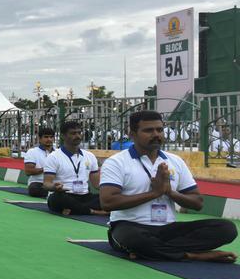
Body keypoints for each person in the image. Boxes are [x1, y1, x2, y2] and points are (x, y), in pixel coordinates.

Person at [100, 111, 237, 262]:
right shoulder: (117, 162)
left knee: (226, 229)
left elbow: (197, 203)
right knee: (135, 240)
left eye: (159, 130)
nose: (156, 134)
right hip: (130, 226)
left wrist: (170, 192)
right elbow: (107, 203)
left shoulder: (175, 161)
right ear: (132, 134)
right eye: (148, 130)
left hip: (167, 229)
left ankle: (155, 250)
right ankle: (194, 255)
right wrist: (154, 193)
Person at [43, 121, 106, 216]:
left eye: (79, 133)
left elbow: (97, 185)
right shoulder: (54, 157)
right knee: (56, 199)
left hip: (85, 196)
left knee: (108, 198)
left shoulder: (90, 156)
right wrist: (54, 187)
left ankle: (75, 210)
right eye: (73, 133)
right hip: (65, 195)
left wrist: (114, 189)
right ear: (63, 136)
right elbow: (46, 184)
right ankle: (94, 211)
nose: (78, 136)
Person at [23, 127, 54, 198]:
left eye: (51, 137)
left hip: (56, 183)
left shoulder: (58, 152)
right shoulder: (32, 152)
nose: (49, 139)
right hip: (39, 183)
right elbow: (28, 172)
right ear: (39, 139)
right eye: (46, 137)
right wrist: (47, 168)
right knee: (34, 189)